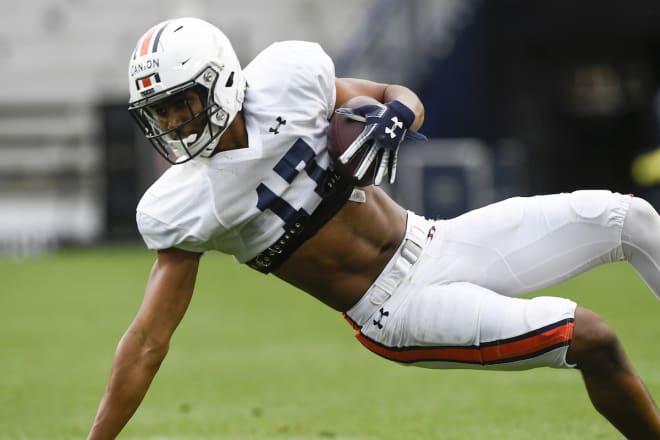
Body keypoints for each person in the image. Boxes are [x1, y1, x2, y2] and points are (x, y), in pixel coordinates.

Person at [88, 16, 660, 439]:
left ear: (221, 82)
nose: (172, 123)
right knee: (592, 338)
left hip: (436, 239)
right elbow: (147, 341)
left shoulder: (287, 80)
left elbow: (393, 95)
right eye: (159, 113)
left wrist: (397, 117)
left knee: (630, 218)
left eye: (180, 103)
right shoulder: (184, 203)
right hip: (395, 309)